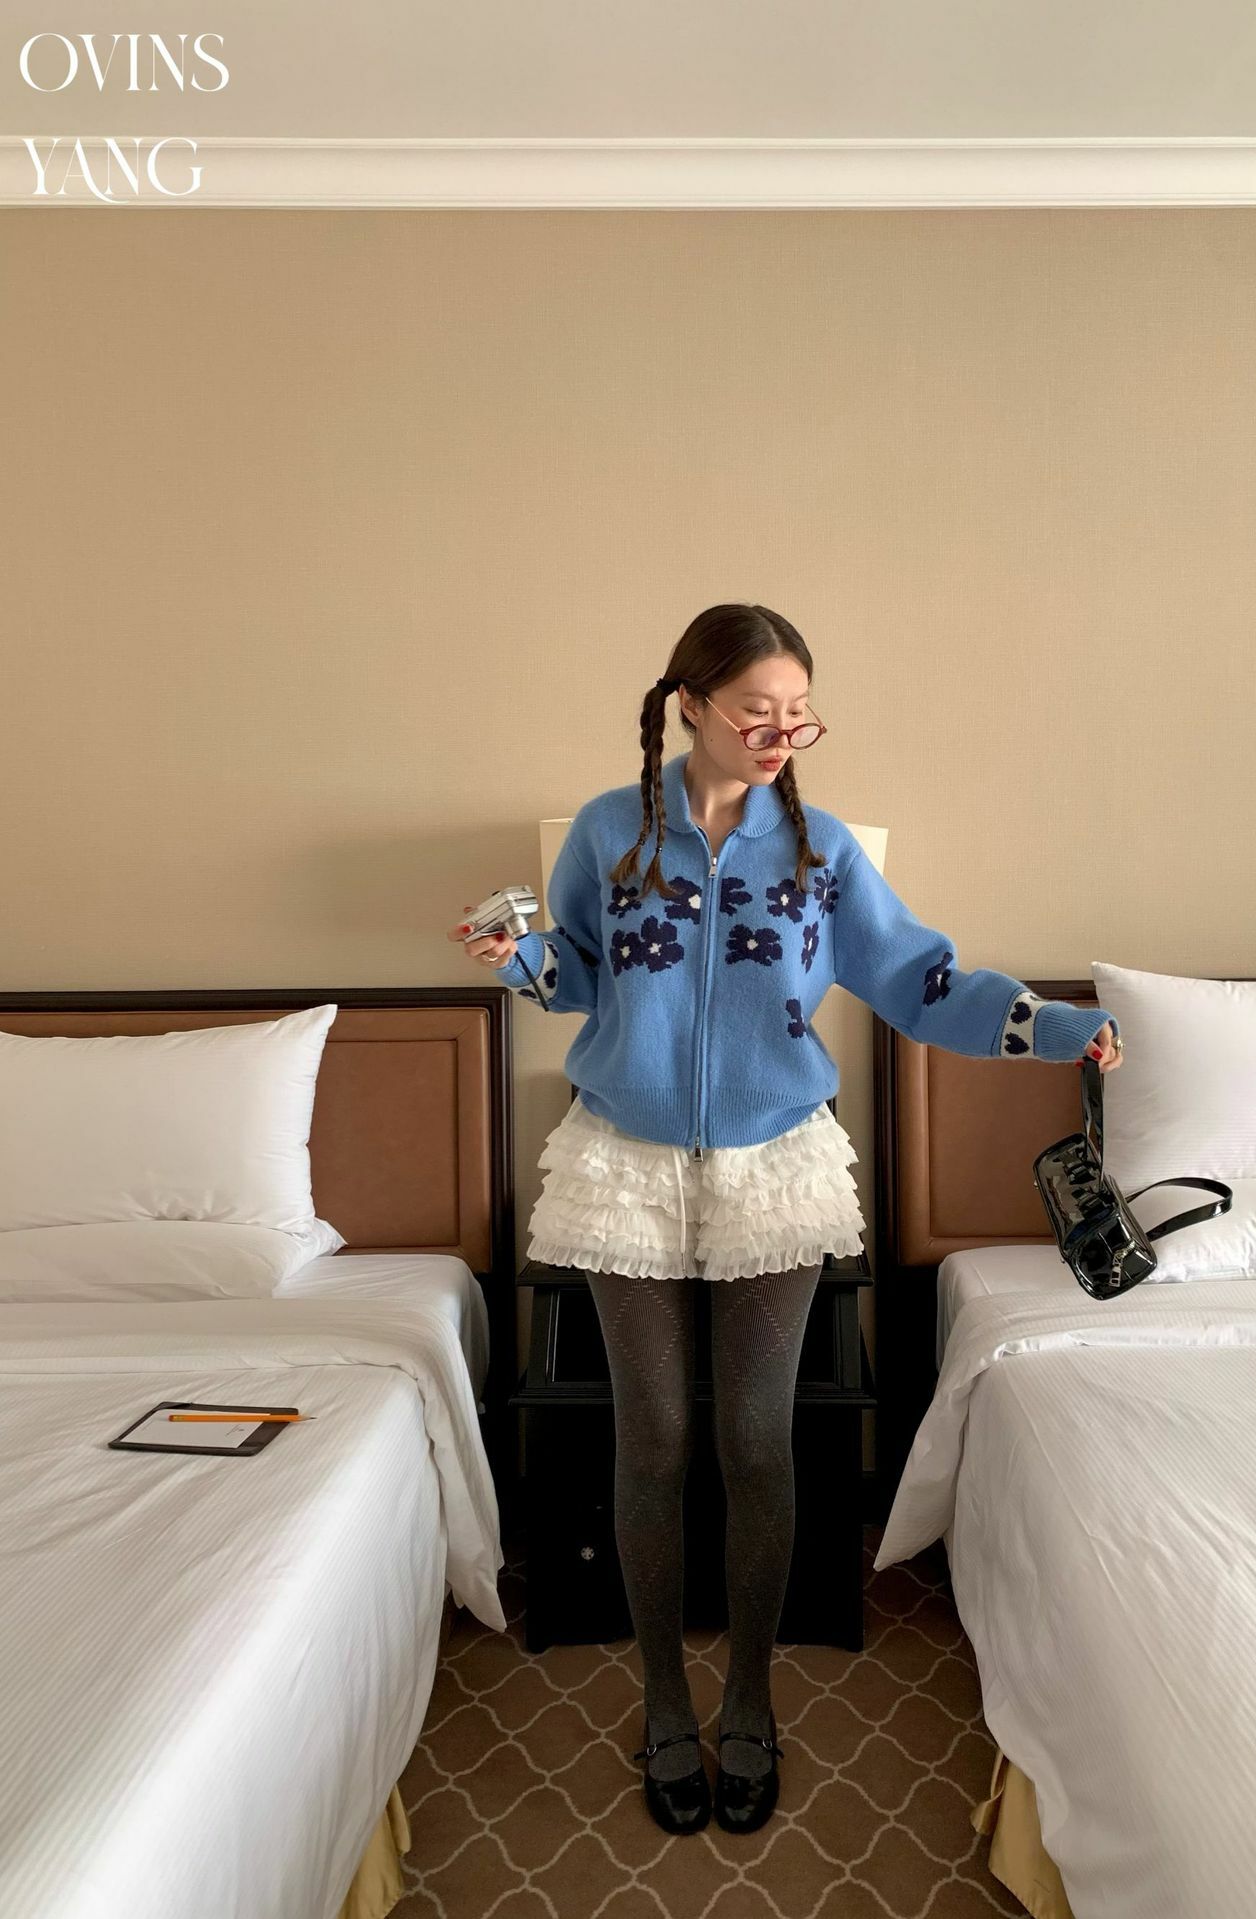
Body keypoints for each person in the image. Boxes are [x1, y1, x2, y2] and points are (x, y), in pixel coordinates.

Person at [449, 602, 1123, 1839]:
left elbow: (920, 977)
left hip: (774, 1163)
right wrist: (519, 957)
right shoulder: (609, 829)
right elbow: (581, 977)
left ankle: (750, 1698)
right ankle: (665, 1700)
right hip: (627, 1162)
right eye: (757, 709)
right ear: (691, 704)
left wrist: (1055, 1027)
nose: (779, 732)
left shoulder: (821, 849)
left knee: (757, 1438)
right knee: (652, 1437)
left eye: (798, 713)